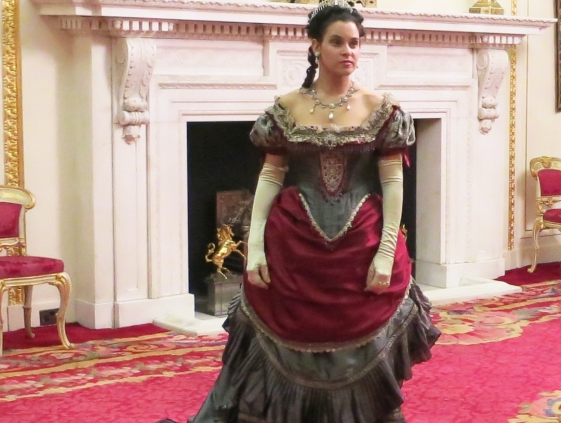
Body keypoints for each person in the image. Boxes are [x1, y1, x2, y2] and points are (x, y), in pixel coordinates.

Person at [183, 1, 440, 422]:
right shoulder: (286, 108)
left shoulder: (382, 109)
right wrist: (257, 248)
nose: (348, 51)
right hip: (292, 243)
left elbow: (394, 183)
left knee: (362, 346)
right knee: (284, 339)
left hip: (364, 244)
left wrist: (385, 251)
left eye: (355, 43)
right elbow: (270, 178)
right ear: (316, 46)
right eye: (337, 42)